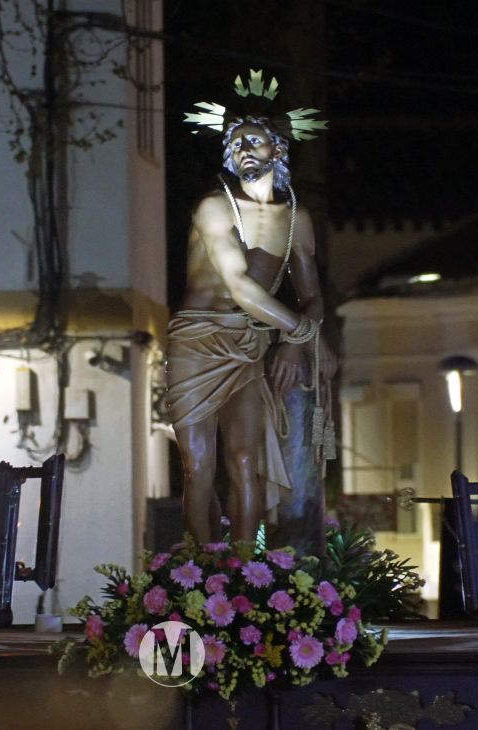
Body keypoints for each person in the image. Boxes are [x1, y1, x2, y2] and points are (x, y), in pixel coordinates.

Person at [167, 72, 335, 543]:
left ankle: (243, 570)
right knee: (197, 465)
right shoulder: (214, 207)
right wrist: (305, 334)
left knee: (246, 460)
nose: (243, 150)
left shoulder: (295, 218)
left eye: (254, 141)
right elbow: (240, 285)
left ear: (277, 150)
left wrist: (294, 344)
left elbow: (312, 296)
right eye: (236, 143)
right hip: (197, 342)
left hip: (249, 345)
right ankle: (201, 566)